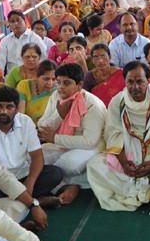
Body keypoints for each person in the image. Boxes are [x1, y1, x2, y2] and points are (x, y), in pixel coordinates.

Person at [86, 61, 150, 211]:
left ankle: (138, 191)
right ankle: (146, 193)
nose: (135, 87)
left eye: (140, 82)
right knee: (93, 165)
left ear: (148, 81)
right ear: (124, 81)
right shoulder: (118, 101)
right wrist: (124, 162)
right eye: (130, 82)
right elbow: (113, 133)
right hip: (126, 150)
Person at [0, 86, 64, 207]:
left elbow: (37, 157)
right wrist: (18, 191)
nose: (3, 111)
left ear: (17, 109)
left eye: (9, 107)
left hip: (22, 175)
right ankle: (34, 202)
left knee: (55, 173)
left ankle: (16, 204)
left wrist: (29, 183)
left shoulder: (25, 122)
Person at [37, 63, 106, 202]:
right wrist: (59, 115)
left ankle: (63, 186)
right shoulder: (56, 95)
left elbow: (89, 141)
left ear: (79, 85)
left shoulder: (93, 105)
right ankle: (71, 184)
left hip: (93, 146)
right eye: (59, 82)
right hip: (63, 142)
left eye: (67, 83)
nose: (60, 87)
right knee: (35, 158)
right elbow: (42, 126)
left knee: (67, 164)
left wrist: (55, 138)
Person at [0, 10, 47, 75]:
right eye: (12, 21)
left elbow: (43, 59)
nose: (16, 24)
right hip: (11, 78)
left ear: (25, 22)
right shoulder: (5, 40)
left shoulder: (34, 38)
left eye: (18, 20)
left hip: (32, 75)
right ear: (9, 25)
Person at [17, 59, 57, 124]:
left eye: (53, 79)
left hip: (47, 129)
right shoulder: (24, 85)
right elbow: (20, 117)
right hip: (27, 128)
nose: (50, 83)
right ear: (36, 76)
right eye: (46, 79)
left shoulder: (57, 92)